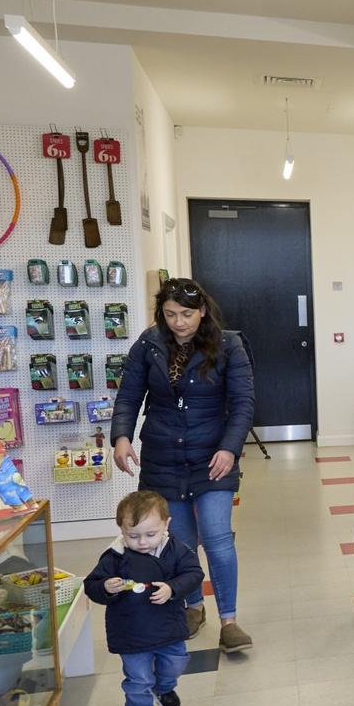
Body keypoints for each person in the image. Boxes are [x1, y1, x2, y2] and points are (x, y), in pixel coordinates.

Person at [112, 277, 255, 654]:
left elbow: (243, 404)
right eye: (171, 314)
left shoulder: (228, 345)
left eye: (187, 314)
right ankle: (193, 608)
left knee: (218, 538)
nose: (179, 322)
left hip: (212, 458)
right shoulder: (149, 344)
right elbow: (129, 394)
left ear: (202, 311)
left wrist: (230, 448)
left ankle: (230, 620)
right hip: (162, 456)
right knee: (178, 541)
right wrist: (121, 436)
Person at [83, 491, 204, 706]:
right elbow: (91, 585)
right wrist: (106, 587)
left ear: (166, 525)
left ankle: (164, 687)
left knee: (175, 664)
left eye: (151, 534)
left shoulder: (175, 549)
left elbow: (194, 573)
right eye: (133, 535)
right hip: (131, 631)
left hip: (169, 626)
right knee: (139, 680)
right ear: (121, 529)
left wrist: (173, 588)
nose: (142, 542)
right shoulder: (114, 556)